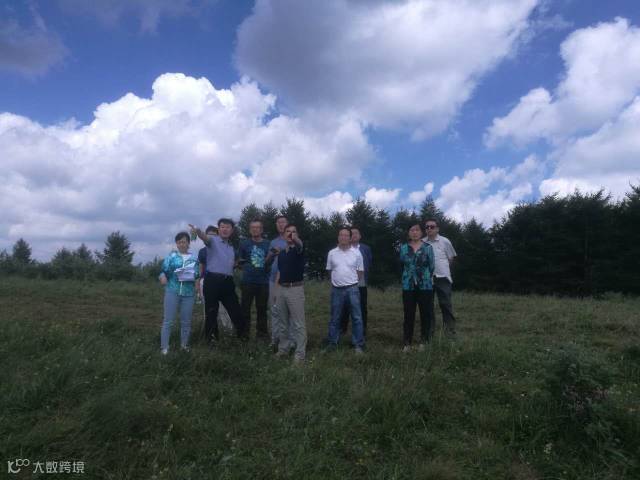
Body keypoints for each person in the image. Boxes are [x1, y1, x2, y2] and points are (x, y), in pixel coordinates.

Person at [189, 219, 245, 344]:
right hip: (212, 282)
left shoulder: (231, 247)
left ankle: (243, 340)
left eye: (228, 227)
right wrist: (197, 230)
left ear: (232, 230)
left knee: (236, 312)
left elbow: (231, 264)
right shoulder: (213, 241)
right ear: (219, 229)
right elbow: (204, 237)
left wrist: (238, 264)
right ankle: (212, 342)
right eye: (222, 227)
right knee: (211, 313)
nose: (225, 229)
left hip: (227, 283)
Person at [324, 227, 365, 354]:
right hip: (336, 290)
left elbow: (360, 272)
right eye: (341, 235)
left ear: (350, 238)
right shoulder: (332, 253)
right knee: (335, 317)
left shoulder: (357, 253)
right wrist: (338, 282)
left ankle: (358, 344)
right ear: (338, 237)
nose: (343, 237)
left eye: (346, 235)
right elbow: (330, 270)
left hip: (353, 289)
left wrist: (351, 282)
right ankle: (332, 342)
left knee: (357, 317)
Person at [159, 231, 200, 355]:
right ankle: (164, 347)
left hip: (189, 293)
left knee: (186, 321)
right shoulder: (171, 257)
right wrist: (162, 277)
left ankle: (184, 345)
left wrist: (196, 282)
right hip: (172, 291)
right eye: (179, 242)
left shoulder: (194, 258)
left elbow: (197, 274)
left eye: (184, 242)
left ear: (188, 243)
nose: (182, 244)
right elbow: (163, 271)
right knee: (168, 320)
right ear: (176, 244)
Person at [238, 219, 276, 340]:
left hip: (263, 282)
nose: (255, 229)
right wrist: (242, 265)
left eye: (257, 227)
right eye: (252, 227)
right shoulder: (244, 244)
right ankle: (244, 336)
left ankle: (262, 337)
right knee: (245, 309)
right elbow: (240, 261)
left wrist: (270, 257)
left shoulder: (268, 244)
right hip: (247, 281)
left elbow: (270, 263)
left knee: (262, 310)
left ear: (261, 230)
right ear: (250, 230)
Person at [400, 223, 435, 351]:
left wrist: (423, 277)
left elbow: (432, 267)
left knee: (425, 314)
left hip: (425, 285)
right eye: (412, 230)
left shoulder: (428, 248)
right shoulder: (403, 248)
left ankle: (424, 342)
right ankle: (407, 343)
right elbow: (402, 265)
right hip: (408, 286)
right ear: (409, 233)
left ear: (421, 233)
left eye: (417, 230)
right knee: (408, 314)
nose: (414, 232)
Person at [274, 224, 306, 363]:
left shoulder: (299, 249)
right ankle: (283, 349)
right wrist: (276, 291)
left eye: (293, 232)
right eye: (288, 231)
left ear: (297, 235)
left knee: (298, 324)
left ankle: (300, 354)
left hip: (295, 289)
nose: (290, 234)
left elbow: (299, 244)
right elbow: (280, 273)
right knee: (282, 322)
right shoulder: (281, 253)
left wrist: (296, 239)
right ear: (283, 234)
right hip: (282, 289)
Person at [424, 218, 458, 337]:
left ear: (437, 229)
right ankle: (429, 334)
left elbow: (451, 258)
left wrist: (442, 269)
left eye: (432, 227)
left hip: (443, 278)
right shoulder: (422, 243)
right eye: (427, 227)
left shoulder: (445, 241)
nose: (429, 229)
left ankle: (450, 333)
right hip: (427, 279)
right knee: (428, 307)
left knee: (446, 305)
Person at [197, 226, 233, 332]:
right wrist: (198, 282)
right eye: (209, 235)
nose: (211, 238)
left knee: (223, 308)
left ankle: (228, 330)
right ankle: (211, 332)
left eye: (214, 235)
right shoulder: (202, 251)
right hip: (206, 281)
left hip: (221, 281)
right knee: (208, 308)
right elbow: (201, 267)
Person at [339, 226, 372, 338]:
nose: (354, 235)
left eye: (356, 233)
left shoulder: (366, 248)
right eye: (352, 233)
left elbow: (369, 262)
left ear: (360, 236)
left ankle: (362, 330)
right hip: (346, 282)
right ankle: (342, 329)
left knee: (362, 306)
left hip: (361, 282)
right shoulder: (342, 248)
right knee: (344, 306)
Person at [268, 215, 290, 349]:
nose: (281, 224)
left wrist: (282, 251)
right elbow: (268, 261)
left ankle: (289, 340)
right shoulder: (273, 242)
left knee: (289, 311)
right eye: (278, 222)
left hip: (288, 281)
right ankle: (275, 339)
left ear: (287, 224)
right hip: (272, 279)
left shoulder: (292, 240)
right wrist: (271, 255)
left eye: (283, 222)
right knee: (274, 310)